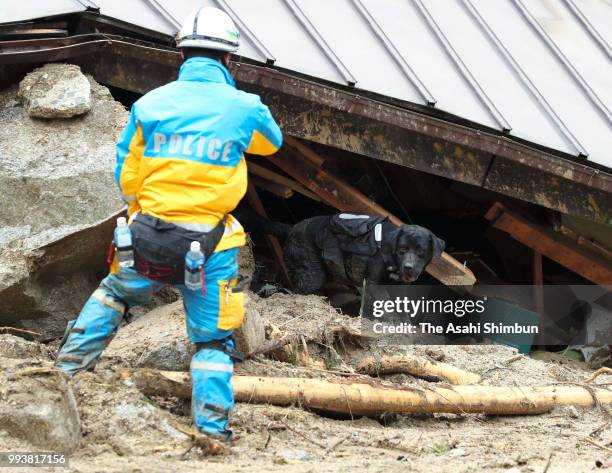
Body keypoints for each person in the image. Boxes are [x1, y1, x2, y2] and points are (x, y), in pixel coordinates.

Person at [54, 6, 282, 442]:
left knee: (115, 294)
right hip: (213, 245)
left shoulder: (151, 103)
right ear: (230, 60)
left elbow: (128, 176)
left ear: (182, 54)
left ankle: (61, 379)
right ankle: (212, 431)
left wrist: (151, 206)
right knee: (212, 342)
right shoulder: (245, 107)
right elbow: (270, 144)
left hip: (146, 235)